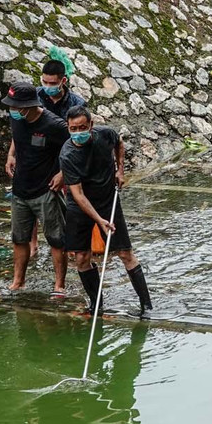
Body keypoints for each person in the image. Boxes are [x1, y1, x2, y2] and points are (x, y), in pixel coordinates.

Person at [59, 107, 153, 316]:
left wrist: (120, 170)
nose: (78, 132)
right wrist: (99, 221)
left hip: (108, 199)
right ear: (68, 127)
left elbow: (119, 143)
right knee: (81, 257)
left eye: (82, 127)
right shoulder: (67, 155)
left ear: (91, 126)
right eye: (73, 129)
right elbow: (78, 195)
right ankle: (96, 304)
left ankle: (146, 306)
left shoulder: (105, 134)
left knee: (125, 253)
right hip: (80, 205)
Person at [1, 82, 70, 298]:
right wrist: (11, 155)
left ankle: (59, 285)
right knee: (19, 238)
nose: (12, 110)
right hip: (20, 189)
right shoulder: (16, 118)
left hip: (46, 190)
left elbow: (76, 148)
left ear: (28, 106)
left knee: (56, 239)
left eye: (15, 106)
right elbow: (16, 136)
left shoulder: (54, 125)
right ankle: (18, 281)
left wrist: (63, 174)